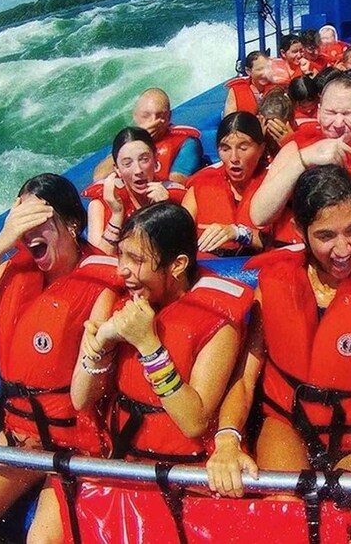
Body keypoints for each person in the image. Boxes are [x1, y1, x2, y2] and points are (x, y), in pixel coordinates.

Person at [206, 164, 351, 500]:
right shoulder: (274, 282)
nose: (343, 249)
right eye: (326, 236)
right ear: (300, 230)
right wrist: (226, 440)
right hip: (288, 422)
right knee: (284, 504)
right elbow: (245, 379)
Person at [0, 173, 119, 544]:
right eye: (20, 221)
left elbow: (93, 386)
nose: (27, 231)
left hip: (77, 444)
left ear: (72, 224)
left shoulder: (103, 285)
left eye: (38, 220)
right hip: (21, 432)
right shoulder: (15, 270)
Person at [69, 202, 252, 540]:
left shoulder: (217, 323)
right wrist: (104, 341)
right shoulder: (114, 301)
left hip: (187, 478)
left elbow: (193, 420)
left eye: (137, 261)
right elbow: (81, 399)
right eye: (122, 256)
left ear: (178, 265)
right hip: (120, 466)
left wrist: (149, 346)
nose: (123, 270)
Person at [250, 71, 351, 250]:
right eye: (331, 113)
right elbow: (259, 216)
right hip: (298, 258)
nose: (338, 123)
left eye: (349, 114)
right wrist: (303, 160)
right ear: (318, 113)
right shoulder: (296, 147)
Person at [84, 127, 185, 255]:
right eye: (127, 163)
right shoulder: (99, 205)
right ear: (117, 169)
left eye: (144, 159)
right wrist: (116, 215)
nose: (138, 170)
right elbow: (98, 261)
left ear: (156, 161)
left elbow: (183, 249)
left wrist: (164, 210)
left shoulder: (177, 197)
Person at [182, 112, 268, 256]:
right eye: (225, 148)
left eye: (243, 148)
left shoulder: (276, 184)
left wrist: (239, 233)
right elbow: (178, 241)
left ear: (261, 149)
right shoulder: (200, 187)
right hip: (211, 272)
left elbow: (288, 244)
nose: (234, 158)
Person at [93, 88, 203, 184]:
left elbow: (177, 182)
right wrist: (138, 137)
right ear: (135, 116)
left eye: (160, 116)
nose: (153, 121)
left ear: (169, 117)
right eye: (146, 116)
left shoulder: (186, 142)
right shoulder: (126, 142)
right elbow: (99, 177)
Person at [223, 50, 287, 116]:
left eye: (268, 68)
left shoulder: (278, 87)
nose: (265, 74)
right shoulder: (236, 90)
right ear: (248, 71)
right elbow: (228, 119)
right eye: (260, 69)